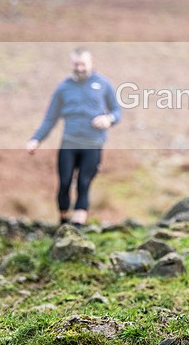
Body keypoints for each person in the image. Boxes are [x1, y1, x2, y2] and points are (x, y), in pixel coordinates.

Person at [27, 48, 121, 226]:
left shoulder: (103, 84)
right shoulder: (64, 88)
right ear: (72, 64)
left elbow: (117, 111)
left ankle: (78, 228)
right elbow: (50, 118)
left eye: (83, 64)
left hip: (93, 144)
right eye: (76, 64)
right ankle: (63, 222)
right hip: (69, 143)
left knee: (84, 183)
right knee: (64, 182)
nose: (79, 68)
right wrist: (36, 139)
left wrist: (108, 119)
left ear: (91, 63)